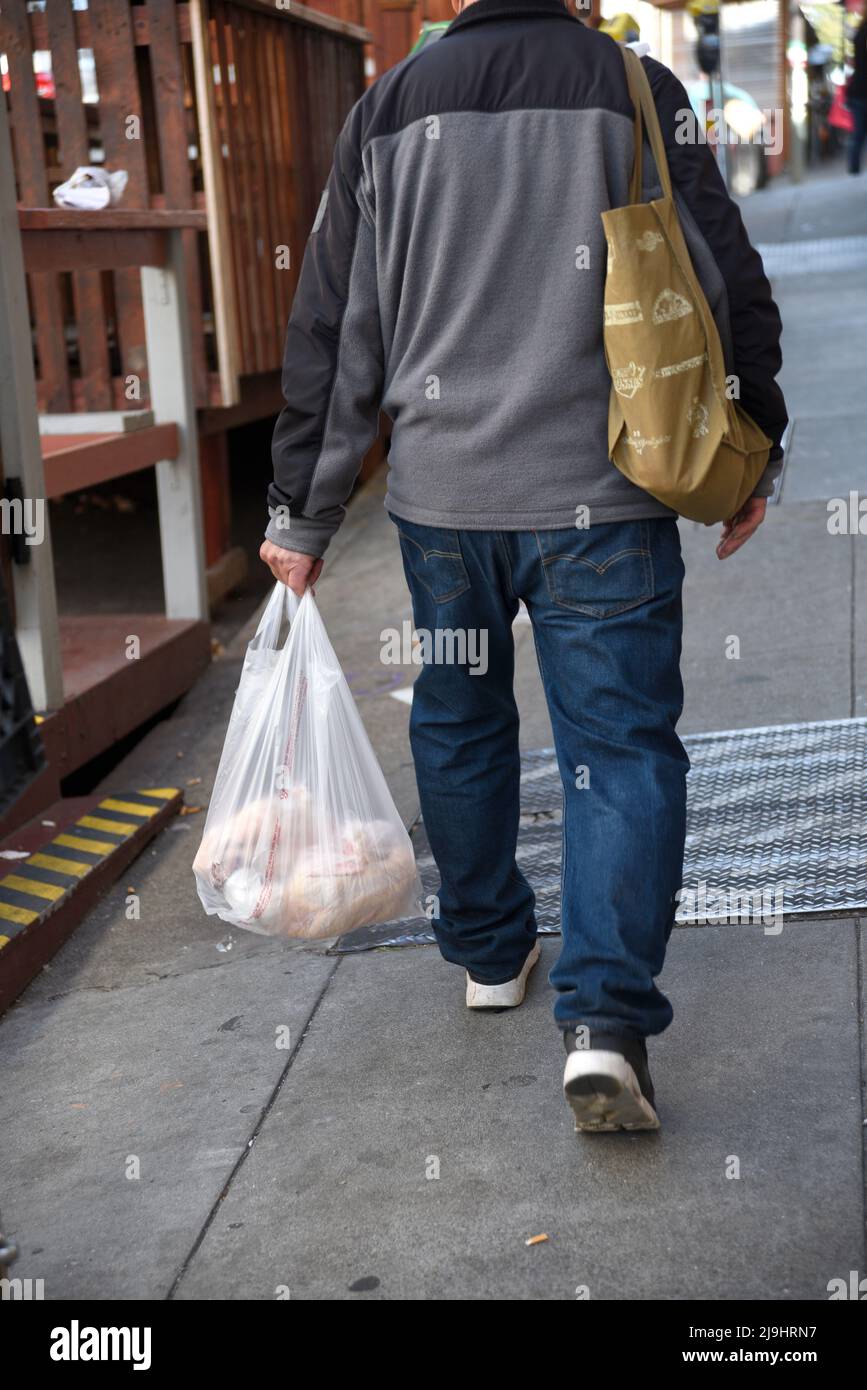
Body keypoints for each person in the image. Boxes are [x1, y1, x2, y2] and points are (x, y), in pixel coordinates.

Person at [260, 0, 787, 1132]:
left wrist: (302, 510)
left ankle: (492, 953)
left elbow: (335, 320)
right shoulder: (637, 89)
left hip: (443, 510)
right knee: (621, 746)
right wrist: (754, 446)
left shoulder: (386, 108)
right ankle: (605, 1024)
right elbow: (722, 278)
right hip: (605, 497)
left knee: (457, 712)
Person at [847, 1, 867, 174]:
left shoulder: (859, 30)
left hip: (857, 89)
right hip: (862, 91)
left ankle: (853, 171)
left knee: (858, 134)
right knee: (859, 134)